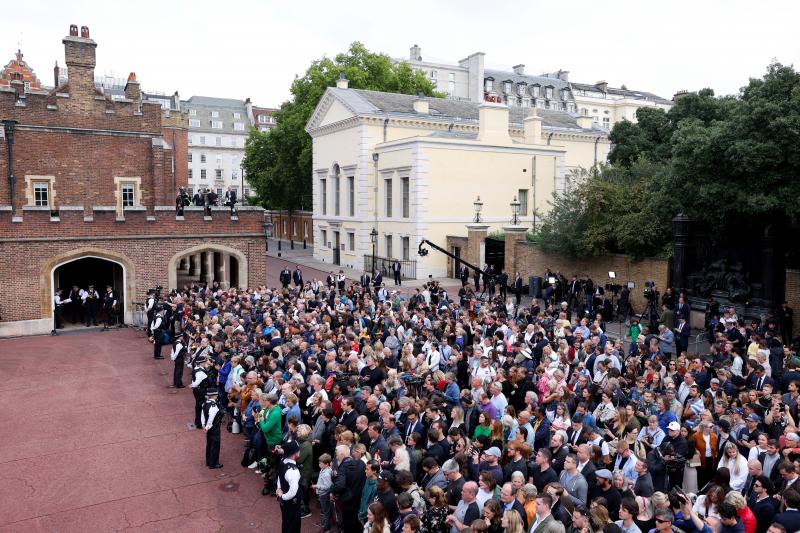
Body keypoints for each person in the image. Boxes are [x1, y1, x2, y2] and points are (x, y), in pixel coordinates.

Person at [276, 439, 302, 533]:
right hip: (292, 504)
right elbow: (292, 492)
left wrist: (278, 488)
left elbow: (279, 475)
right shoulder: (293, 471)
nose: (300, 452)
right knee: (292, 527)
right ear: (294, 453)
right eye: (298, 450)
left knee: (286, 523)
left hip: (284, 503)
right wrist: (282, 496)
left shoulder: (283, 460)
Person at [201, 388, 223, 469]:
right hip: (214, 428)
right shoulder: (214, 406)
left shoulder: (204, 404)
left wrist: (203, 424)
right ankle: (213, 463)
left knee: (209, 444)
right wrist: (207, 427)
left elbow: (202, 415)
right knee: (215, 445)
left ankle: (208, 461)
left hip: (208, 427)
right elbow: (211, 419)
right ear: (215, 396)